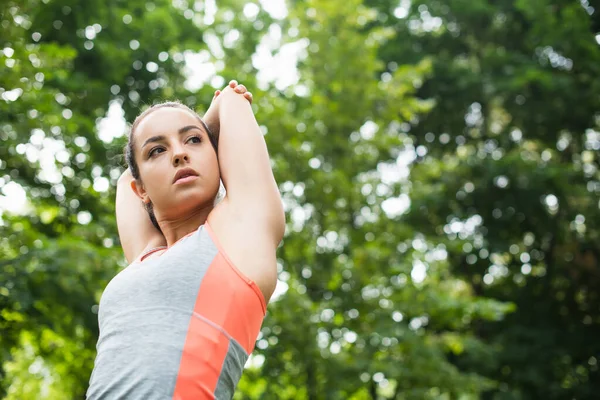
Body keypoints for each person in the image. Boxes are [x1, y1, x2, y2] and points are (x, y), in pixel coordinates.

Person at [86, 80, 285, 399]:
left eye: (193, 140)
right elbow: (127, 180)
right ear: (143, 192)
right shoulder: (145, 254)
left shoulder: (240, 232)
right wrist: (189, 130)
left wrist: (207, 118)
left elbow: (232, 101)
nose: (179, 154)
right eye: (158, 150)